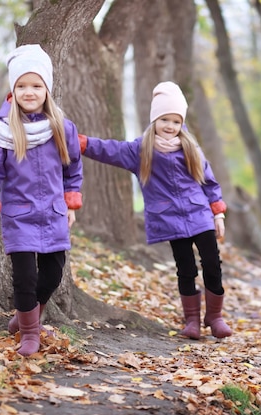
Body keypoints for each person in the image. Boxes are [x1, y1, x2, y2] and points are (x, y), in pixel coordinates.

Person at [78, 81, 232, 340]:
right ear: (155, 120)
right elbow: (108, 149)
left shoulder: (191, 148)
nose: (170, 126)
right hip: (169, 218)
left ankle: (215, 317)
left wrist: (218, 212)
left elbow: (209, 181)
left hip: (199, 214)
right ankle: (192, 320)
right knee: (185, 268)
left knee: (212, 263)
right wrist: (78, 142)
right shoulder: (140, 150)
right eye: (164, 120)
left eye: (175, 121)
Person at [0, 44, 84, 356]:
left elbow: (73, 167)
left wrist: (71, 200)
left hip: (53, 212)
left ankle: (24, 318)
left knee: (53, 274)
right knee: (25, 277)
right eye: (21, 85)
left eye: (36, 85)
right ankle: (30, 333)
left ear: (47, 88)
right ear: (13, 88)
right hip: (19, 214)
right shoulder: (1, 130)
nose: (29, 92)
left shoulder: (62, 127)